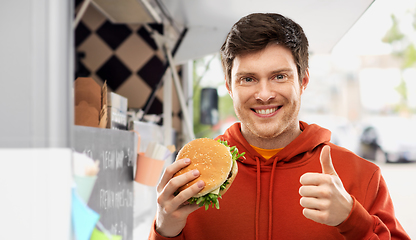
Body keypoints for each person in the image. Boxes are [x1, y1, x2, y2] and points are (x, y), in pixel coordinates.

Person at [149, 13, 410, 240]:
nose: (264, 94)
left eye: (279, 76)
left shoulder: (361, 176)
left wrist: (353, 221)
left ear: (303, 80)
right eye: (248, 78)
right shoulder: (192, 179)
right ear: (229, 87)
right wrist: (164, 228)